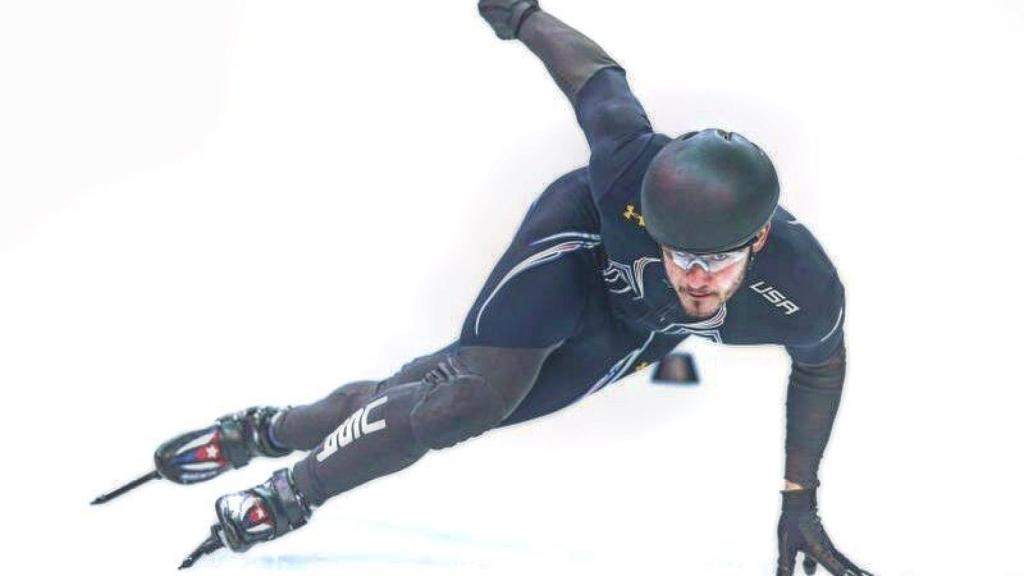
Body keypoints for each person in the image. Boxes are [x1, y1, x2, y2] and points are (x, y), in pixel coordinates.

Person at [99, 3, 872, 574]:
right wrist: (523, 13)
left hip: (632, 327)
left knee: (427, 394)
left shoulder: (804, 288)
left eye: (718, 262)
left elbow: (821, 370)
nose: (697, 278)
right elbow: (596, 79)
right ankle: (290, 494)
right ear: (654, 223)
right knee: (464, 402)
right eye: (679, 255)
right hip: (575, 247)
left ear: (760, 241)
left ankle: (266, 430)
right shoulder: (627, 165)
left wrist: (798, 498)